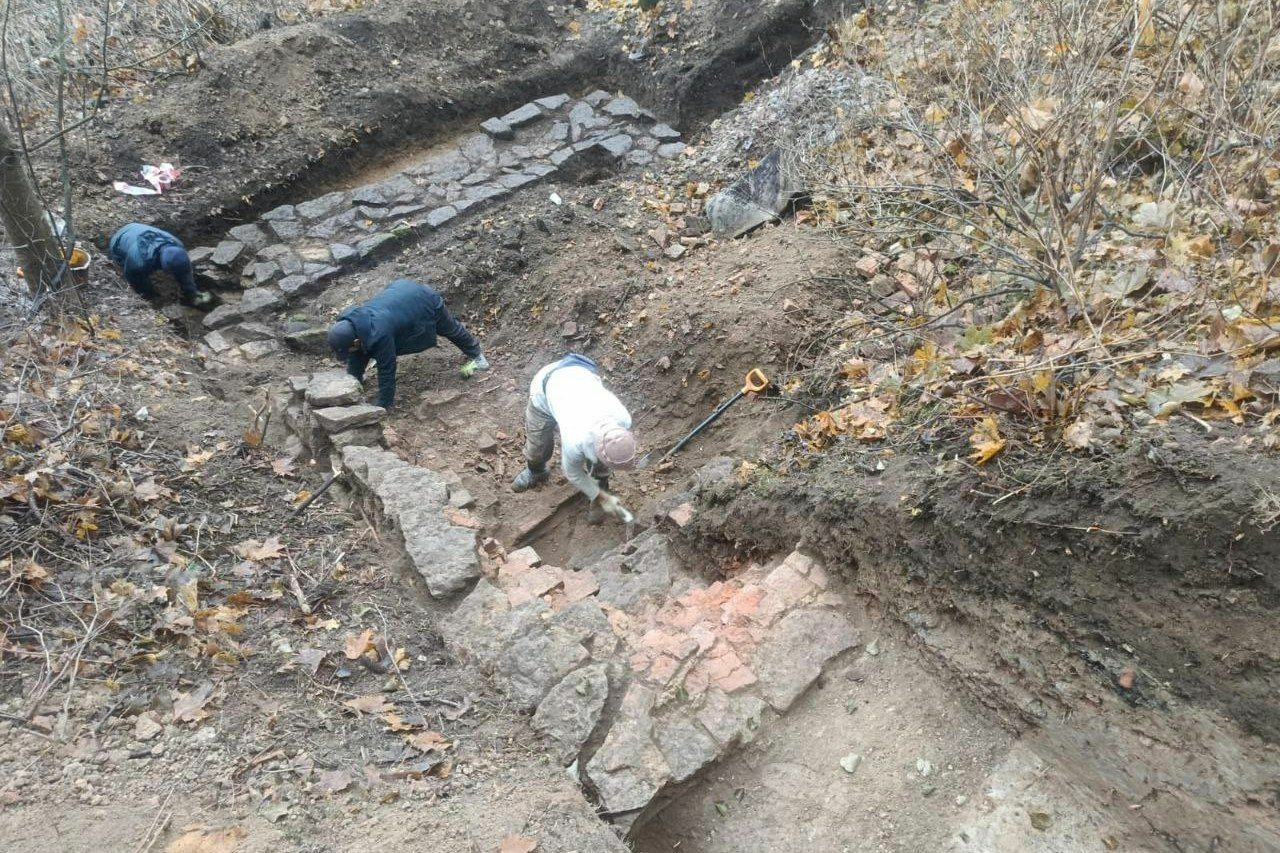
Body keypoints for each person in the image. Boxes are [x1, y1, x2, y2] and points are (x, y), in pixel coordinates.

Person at [512, 354, 637, 524]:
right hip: (545, 389)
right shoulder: (576, 440)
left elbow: (613, 449)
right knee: (537, 449)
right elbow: (573, 473)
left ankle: (600, 488)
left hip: (581, 377)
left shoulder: (623, 418)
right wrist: (601, 497)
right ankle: (536, 471)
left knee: (600, 466)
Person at [327, 278, 488, 410]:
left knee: (449, 328)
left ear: (355, 340)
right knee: (362, 350)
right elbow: (358, 352)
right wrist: (354, 382)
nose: (350, 352)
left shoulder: (380, 334)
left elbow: (387, 369)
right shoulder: (354, 323)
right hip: (400, 293)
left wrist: (382, 404)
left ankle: (478, 356)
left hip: (424, 300)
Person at [109, 223, 212, 307]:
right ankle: (150, 296)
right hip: (118, 240)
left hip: (135, 227)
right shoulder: (138, 261)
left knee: (179, 269)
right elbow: (130, 275)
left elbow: (185, 272)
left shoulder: (177, 244)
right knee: (139, 278)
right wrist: (151, 296)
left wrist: (191, 293)